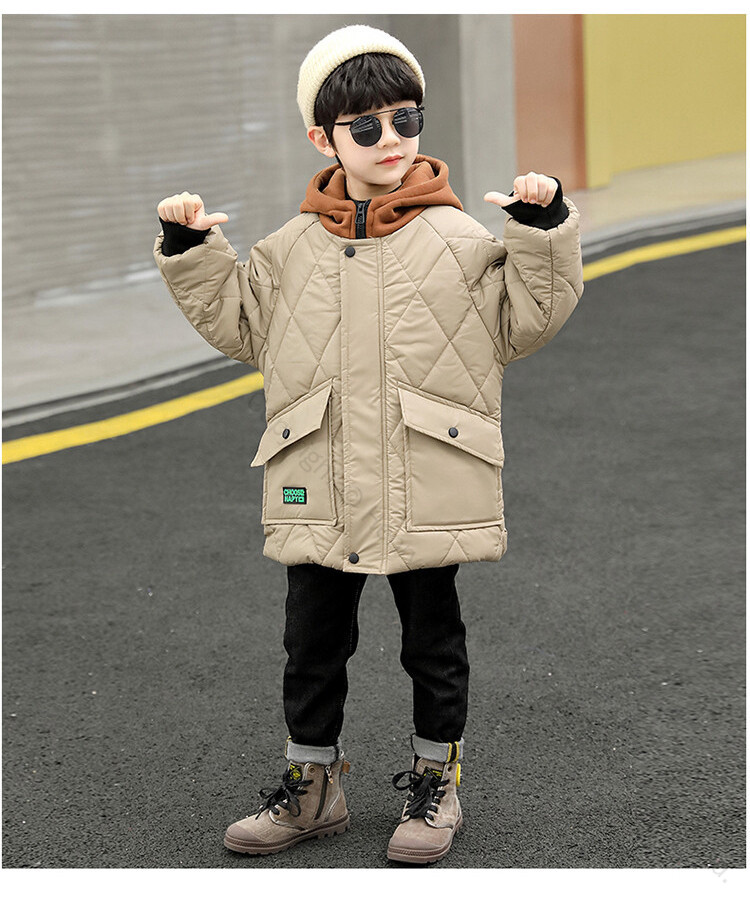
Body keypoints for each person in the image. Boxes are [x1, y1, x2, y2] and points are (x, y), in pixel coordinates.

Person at [153, 23, 584, 865]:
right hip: (319, 475)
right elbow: (239, 325)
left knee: (433, 642)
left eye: (406, 119)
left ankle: (436, 783)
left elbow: (529, 319)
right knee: (311, 643)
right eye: (366, 126)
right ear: (323, 139)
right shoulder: (286, 252)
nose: (391, 139)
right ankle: (313, 788)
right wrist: (191, 249)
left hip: (428, 474)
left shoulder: (462, 241)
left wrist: (541, 228)